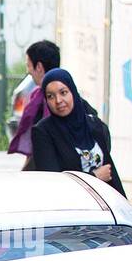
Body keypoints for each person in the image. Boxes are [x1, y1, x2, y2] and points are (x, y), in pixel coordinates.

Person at [31, 68, 125, 197]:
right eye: (50, 96)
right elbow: (52, 182)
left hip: (101, 206)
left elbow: (110, 171)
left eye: (63, 92)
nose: (58, 100)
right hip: (71, 209)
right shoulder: (43, 132)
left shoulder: (94, 125)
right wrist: (94, 177)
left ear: (73, 92)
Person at [7, 39, 58, 161]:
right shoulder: (68, 97)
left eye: (28, 65)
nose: (28, 70)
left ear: (39, 67)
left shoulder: (43, 100)